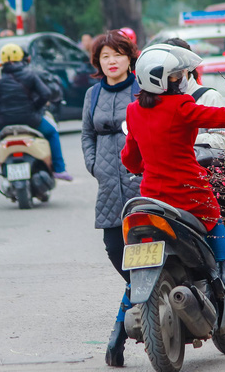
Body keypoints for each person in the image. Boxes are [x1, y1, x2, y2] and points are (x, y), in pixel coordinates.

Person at [120, 43, 225, 299]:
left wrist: (148, 163)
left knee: (136, 271)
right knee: (215, 216)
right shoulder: (181, 106)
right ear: (164, 80)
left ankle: (119, 330)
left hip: (151, 197)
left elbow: (131, 160)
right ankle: (222, 272)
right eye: (178, 75)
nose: (183, 79)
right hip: (189, 192)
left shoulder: (133, 111)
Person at [80, 30, 141, 367]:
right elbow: (87, 134)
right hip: (108, 186)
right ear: (98, 62)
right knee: (116, 249)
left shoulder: (142, 88)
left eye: (118, 54)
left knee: (151, 253)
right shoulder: (92, 94)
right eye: (105, 56)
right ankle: (143, 301)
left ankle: (121, 332)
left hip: (142, 181)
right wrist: (94, 166)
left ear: (130, 57)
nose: (112, 61)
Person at [0, 44, 72, 188]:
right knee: (52, 132)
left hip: (4, 121)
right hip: (31, 119)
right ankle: (59, 169)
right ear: (21, 57)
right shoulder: (29, 74)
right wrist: (35, 106)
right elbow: (45, 93)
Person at [163, 38, 225, 149]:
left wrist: (181, 138)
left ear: (188, 65)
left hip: (199, 164)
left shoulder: (209, 97)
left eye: (178, 63)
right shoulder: (154, 98)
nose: (173, 70)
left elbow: (221, 140)